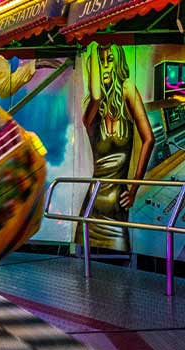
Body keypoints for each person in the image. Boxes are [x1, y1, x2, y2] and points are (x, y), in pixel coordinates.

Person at [76, 44, 154, 252]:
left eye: (109, 60)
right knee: (84, 268)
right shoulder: (90, 110)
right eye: (100, 61)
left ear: (118, 62)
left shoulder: (128, 90)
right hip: (92, 210)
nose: (105, 67)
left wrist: (134, 187)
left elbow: (149, 139)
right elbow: (96, 96)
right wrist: (94, 47)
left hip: (117, 208)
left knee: (121, 266)